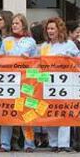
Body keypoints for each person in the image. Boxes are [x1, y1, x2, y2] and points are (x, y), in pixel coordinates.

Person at [0, 13, 38, 153]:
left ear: (23, 25)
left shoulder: (30, 42)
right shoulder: (6, 40)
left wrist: (27, 61)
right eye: (13, 23)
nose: (14, 25)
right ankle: (4, 144)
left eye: (17, 23)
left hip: (26, 82)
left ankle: (29, 144)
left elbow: (37, 63)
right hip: (9, 82)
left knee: (26, 113)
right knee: (7, 112)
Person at [40, 17, 79, 152]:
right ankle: (54, 143)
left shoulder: (69, 44)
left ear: (59, 29)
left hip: (65, 86)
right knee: (50, 113)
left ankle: (64, 143)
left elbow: (78, 60)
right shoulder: (44, 47)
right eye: (48, 28)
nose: (50, 31)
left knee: (64, 112)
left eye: (53, 28)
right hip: (48, 85)